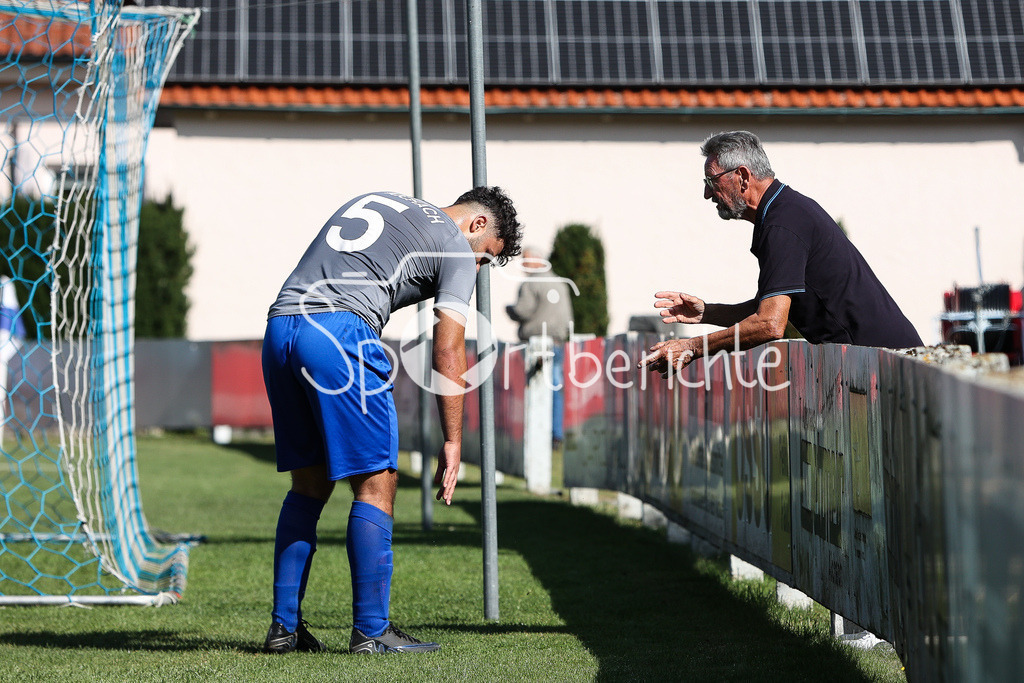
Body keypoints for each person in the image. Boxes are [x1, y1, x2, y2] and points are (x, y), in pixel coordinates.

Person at [261, 187, 522, 655]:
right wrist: (454, 441)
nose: (477, 270)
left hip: (281, 328)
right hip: (338, 332)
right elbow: (447, 349)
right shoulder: (456, 248)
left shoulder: (386, 200)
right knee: (377, 482)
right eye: (485, 260)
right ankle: (372, 631)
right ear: (478, 226)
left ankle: (284, 629)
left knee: (309, 486)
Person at [641, 130, 922, 377]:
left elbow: (770, 324)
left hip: (891, 367)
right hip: (883, 362)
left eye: (711, 180)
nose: (707, 193)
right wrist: (707, 313)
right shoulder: (781, 212)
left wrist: (691, 346)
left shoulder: (782, 223)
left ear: (742, 176)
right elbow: (771, 309)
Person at [505, 246, 574, 446]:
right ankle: (556, 435)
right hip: (557, 342)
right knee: (555, 387)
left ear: (537, 260)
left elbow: (522, 311)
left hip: (536, 344)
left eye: (525, 259)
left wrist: (509, 310)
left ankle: (535, 433)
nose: (523, 264)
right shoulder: (559, 282)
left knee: (531, 388)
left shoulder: (532, 283)